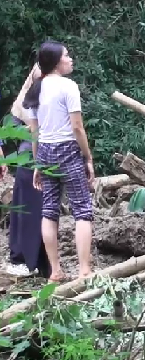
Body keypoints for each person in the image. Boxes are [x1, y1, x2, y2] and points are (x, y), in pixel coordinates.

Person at [22, 41, 95, 282]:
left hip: (45, 153)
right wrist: (88, 157)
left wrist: (37, 165)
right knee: (82, 209)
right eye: (67, 55)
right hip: (67, 151)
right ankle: (84, 270)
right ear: (56, 62)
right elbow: (77, 127)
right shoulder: (68, 87)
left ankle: (56, 271)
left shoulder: (35, 90)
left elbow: (34, 132)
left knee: (49, 211)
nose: (70, 59)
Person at [2, 64, 52, 278]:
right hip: (32, 161)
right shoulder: (30, 96)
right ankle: (25, 260)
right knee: (31, 211)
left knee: (41, 211)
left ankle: (36, 261)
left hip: (45, 159)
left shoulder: (55, 93)